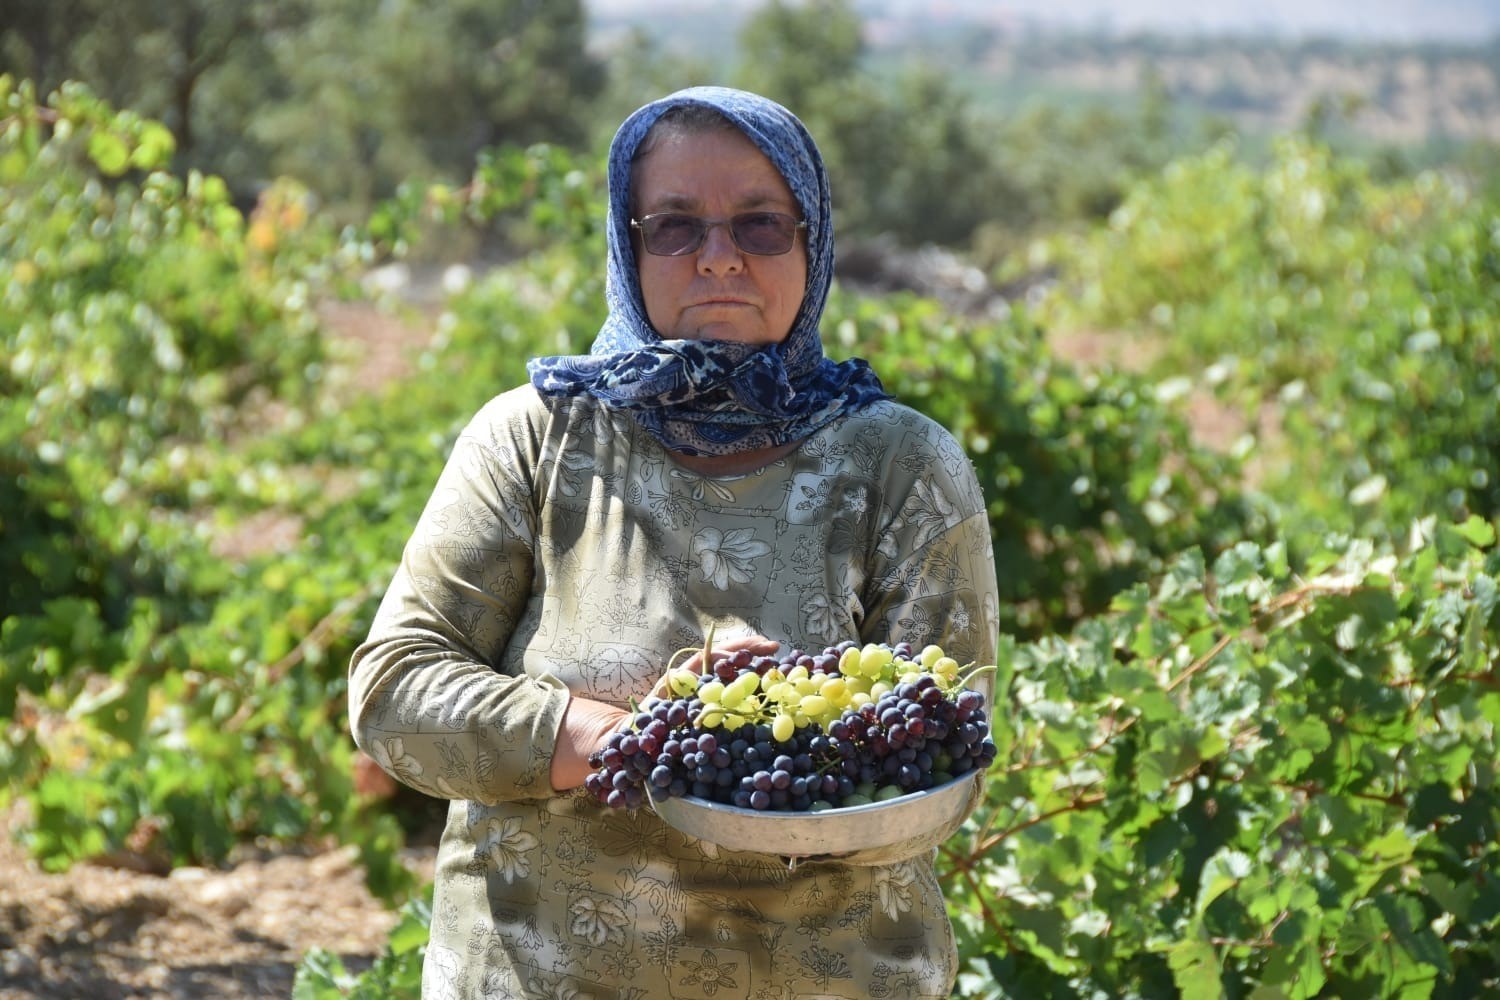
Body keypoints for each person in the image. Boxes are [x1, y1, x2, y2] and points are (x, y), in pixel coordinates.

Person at [349, 85, 1000, 1000]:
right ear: (629, 243)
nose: (720, 258)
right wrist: (608, 738)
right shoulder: (536, 438)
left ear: (812, 245)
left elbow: (949, 763)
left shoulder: (903, 466)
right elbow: (394, 690)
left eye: (762, 226)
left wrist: (775, 747)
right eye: (675, 227)